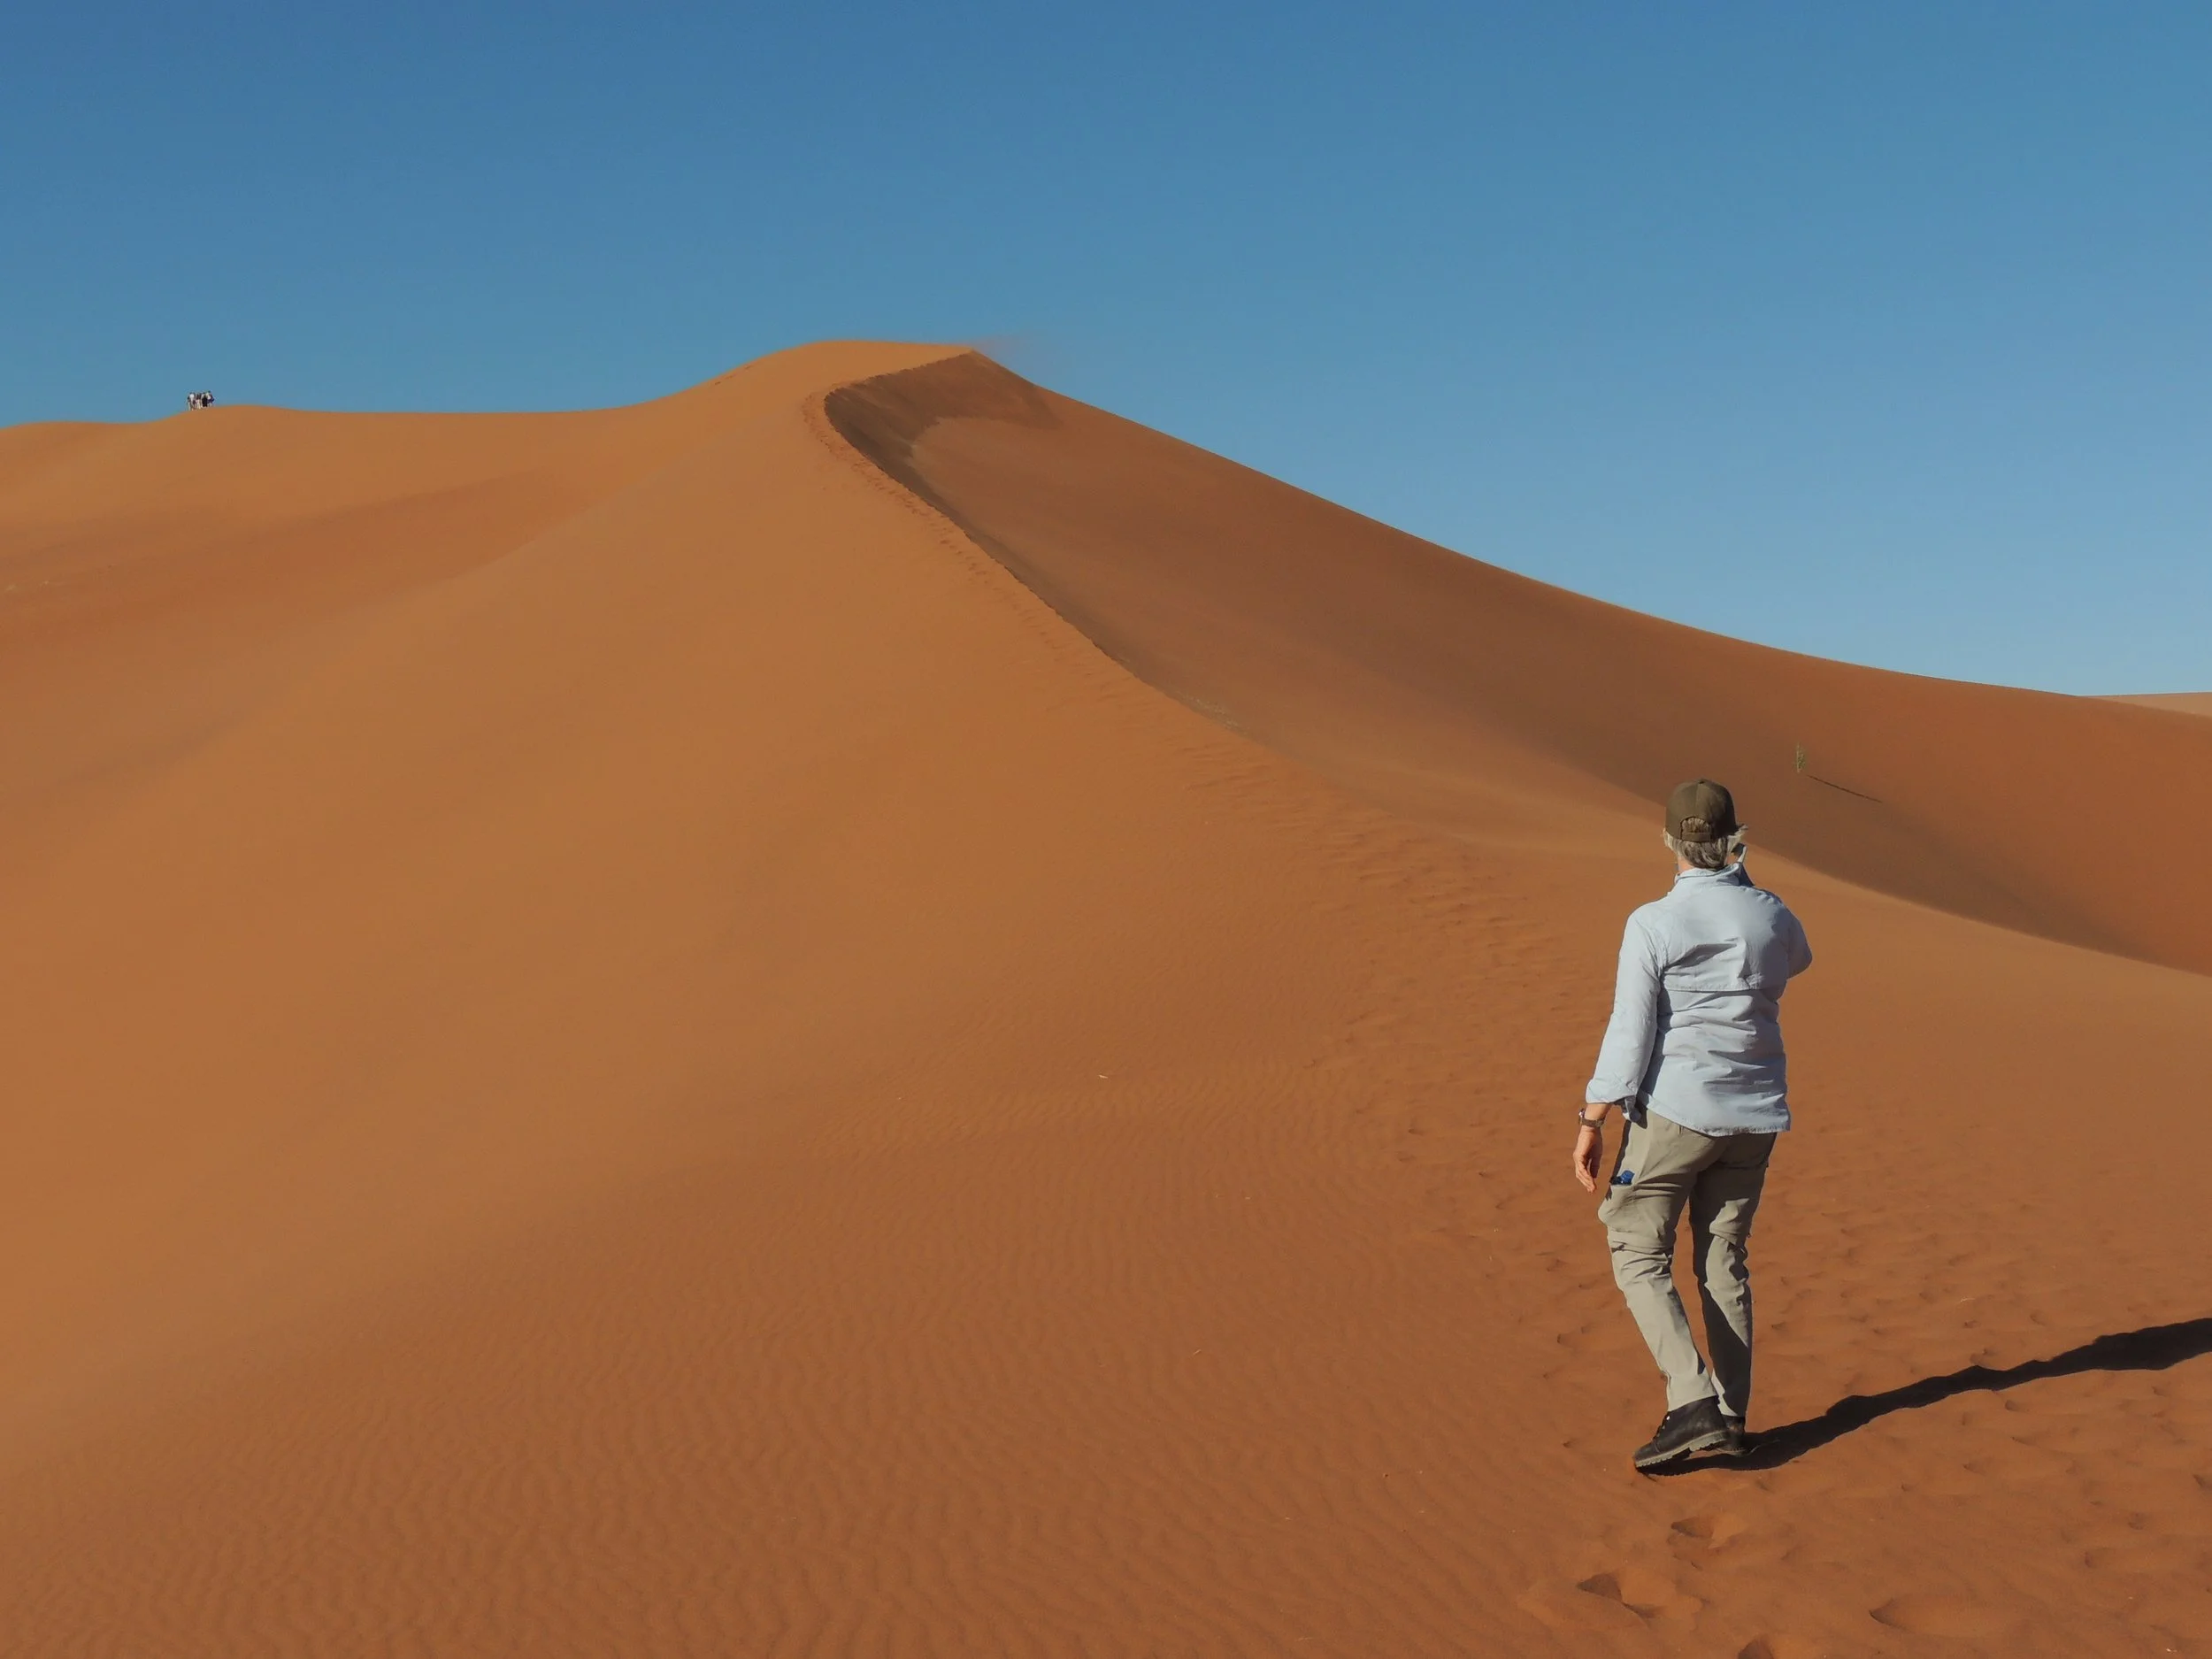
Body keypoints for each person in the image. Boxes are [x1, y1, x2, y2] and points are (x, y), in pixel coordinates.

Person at [1573, 779, 1812, 1471]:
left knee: (1635, 1247)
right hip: (1755, 1115)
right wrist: (1746, 883)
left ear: (1670, 843)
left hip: (1676, 1113)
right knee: (1722, 1258)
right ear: (1736, 838)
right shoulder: (1773, 914)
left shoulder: (1653, 922)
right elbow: (1799, 958)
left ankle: (1691, 1400)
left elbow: (1630, 1032)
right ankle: (1731, 1415)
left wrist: (1593, 1114)